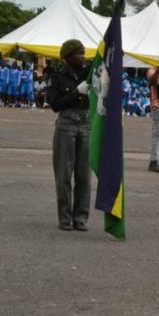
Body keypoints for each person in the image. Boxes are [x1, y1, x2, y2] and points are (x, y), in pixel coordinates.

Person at [47, 39, 91, 231]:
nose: (83, 56)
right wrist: (75, 92)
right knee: (64, 174)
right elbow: (55, 105)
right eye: (79, 53)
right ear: (68, 57)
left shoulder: (88, 73)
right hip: (67, 125)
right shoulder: (57, 77)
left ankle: (80, 218)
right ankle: (65, 218)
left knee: (84, 175)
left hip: (86, 124)